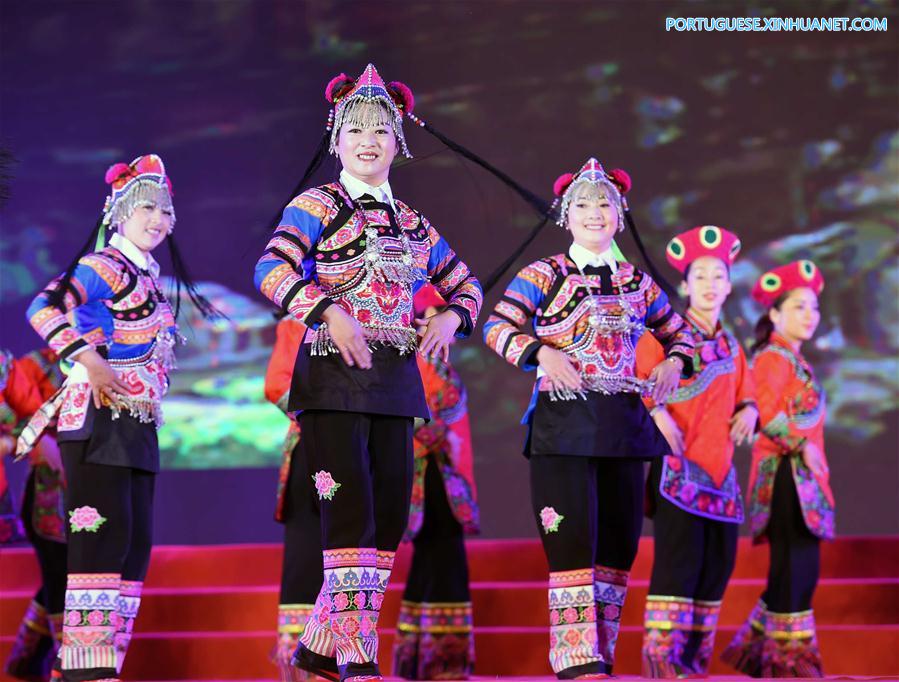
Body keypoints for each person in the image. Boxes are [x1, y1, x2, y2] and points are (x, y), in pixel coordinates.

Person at [254, 64, 482, 682]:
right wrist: (328, 311)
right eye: (355, 128)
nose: (368, 139)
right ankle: (358, 655)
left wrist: (452, 320)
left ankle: (321, 649)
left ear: (398, 141)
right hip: (331, 377)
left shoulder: (412, 222)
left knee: (386, 519)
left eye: (380, 129)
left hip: (397, 383)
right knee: (349, 514)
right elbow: (271, 270)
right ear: (337, 139)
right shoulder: (315, 204)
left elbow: (466, 284)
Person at [482, 157, 693, 679]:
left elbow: (681, 335)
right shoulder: (544, 273)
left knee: (618, 546)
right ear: (564, 215)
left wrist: (672, 361)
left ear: (620, 217)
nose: (594, 213)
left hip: (623, 427)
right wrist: (541, 353)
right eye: (582, 204)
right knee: (572, 542)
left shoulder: (638, 283)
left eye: (605, 204)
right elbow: (495, 326)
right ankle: (574, 658)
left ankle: (602, 656)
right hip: (563, 427)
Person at [18, 154, 216, 682]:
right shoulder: (106, 264)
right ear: (120, 210)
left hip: (137, 423)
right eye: (148, 207)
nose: (159, 219)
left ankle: (100, 667)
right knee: (101, 542)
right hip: (99, 420)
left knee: (131, 547)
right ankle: (85, 670)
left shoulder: (145, 274)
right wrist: (89, 359)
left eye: (167, 211)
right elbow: (44, 307)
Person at [637, 226, 758, 677]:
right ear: (686, 285)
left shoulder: (730, 343)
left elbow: (747, 392)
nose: (710, 284)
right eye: (701, 276)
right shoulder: (667, 333)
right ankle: (663, 663)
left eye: (718, 276)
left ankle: (693, 661)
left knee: (716, 568)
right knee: (679, 565)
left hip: (721, 474)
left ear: (729, 285)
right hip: (680, 470)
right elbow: (640, 380)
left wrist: (749, 409)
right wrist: (656, 413)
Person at [721, 259, 831, 678]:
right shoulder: (772, 358)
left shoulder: (792, 359)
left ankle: (767, 658)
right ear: (775, 314)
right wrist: (801, 445)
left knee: (798, 570)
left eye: (814, 307)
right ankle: (789, 665)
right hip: (785, 474)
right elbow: (764, 411)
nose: (810, 315)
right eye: (800, 306)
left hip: (801, 476)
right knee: (794, 568)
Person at [392, 285, 479, 681]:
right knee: (434, 558)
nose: (436, 323)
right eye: (428, 316)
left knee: (442, 557)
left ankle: (439, 660)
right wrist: (429, 426)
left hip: (445, 473)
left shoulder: (442, 362)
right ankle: (429, 662)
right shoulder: (406, 359)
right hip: (418, 470)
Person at [264, 314, 323, 681]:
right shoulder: (296, 324)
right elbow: (275, 385)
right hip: (312, 444)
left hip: (354, 450)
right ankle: (305, 662)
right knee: (306, 548)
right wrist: (322, 419)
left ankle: (341, 649)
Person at [1, 348, 66, 681]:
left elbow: (30, 417)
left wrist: (19, 441)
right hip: (49, 493)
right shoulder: (35, 365)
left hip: (76, 484)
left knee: (68, 576)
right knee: (59, 575)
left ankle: (32, 662)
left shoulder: (6, 366)